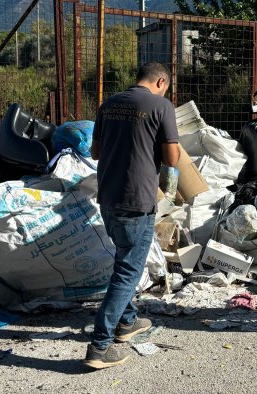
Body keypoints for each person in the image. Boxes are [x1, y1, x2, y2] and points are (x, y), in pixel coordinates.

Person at [84, 62, 180, 369]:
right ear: (161, 81)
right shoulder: (161, 106)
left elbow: (95, 152)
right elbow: (172, 157)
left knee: (124, 258)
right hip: (136, 200)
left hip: (108, 198)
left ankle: (126, 322)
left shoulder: (108, 105)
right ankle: (100, 346)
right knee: (127, 272)